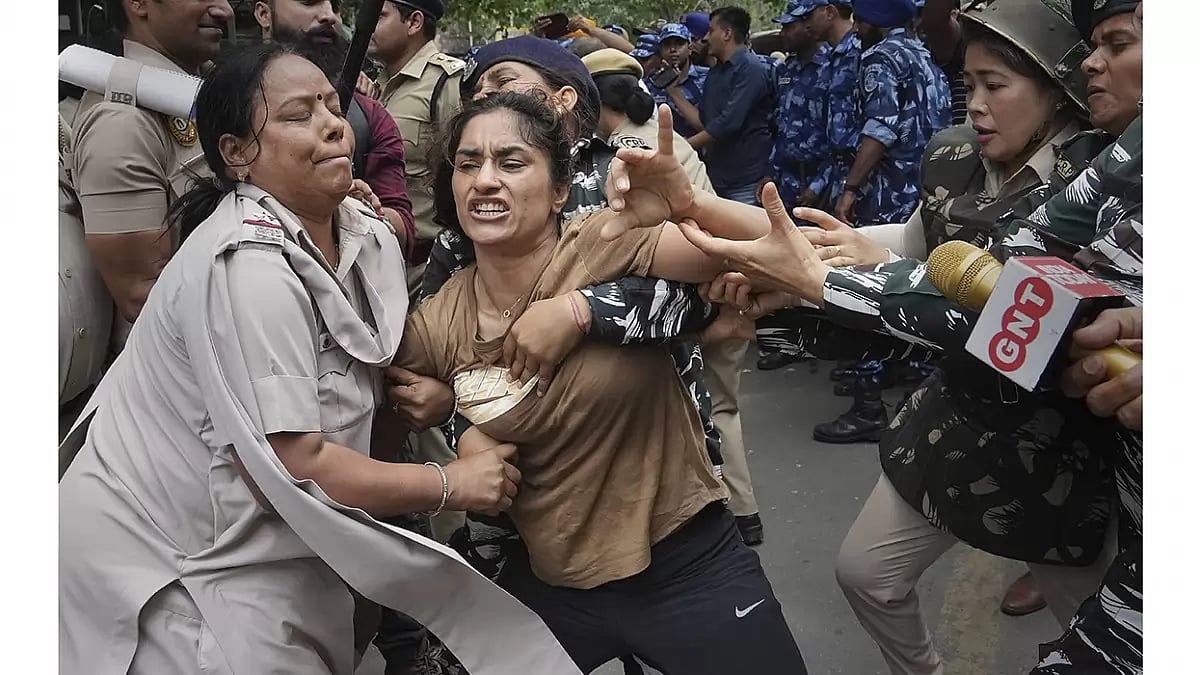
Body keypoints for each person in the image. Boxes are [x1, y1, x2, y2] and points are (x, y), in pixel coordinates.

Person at [58, 42, 583, 675]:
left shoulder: (361, 231)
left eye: (332, 106)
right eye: (298, 115)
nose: (333, 125)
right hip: (182, 564)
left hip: (282, 549)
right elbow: (295, 464)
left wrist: (437, 399)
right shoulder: (247, 267)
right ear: (237, 154)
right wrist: (450, 484)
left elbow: (378, 377)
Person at [398, 90, 808, 674]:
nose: (485, 180)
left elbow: (778, 255)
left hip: (688, 564)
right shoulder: (444, 314)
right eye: (469, 164)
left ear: (560, 190)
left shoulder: (599, 241)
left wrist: (690, 205)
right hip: (551, 585)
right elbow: (377, 383)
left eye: (511, 162)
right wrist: (456, 419)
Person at [582, 47, 768, 546]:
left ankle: (712, 522)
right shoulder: (667, 138)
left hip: (689, 296)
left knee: (689, 412)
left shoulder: (621, 155)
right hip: (730, 280)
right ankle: (744, 513)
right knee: (723, 406)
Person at [69, 0, 230, 358]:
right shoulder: (122, 123)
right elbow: (142, 297)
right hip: (186, 373)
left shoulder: (213, 94)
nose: (225, 11)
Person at [253, 0, 416, 253]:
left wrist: (359, 209)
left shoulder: (370, 116)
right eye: (309, 2)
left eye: (336, 6)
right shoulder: (222, 104)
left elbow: (402, 228)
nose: (329, 15)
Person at [754, 0, 832, 372]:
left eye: (791, 26)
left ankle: (828, 338)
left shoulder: (832, 67)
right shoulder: (786, 70)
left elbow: (838, 135)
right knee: (783, 259)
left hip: (820, 178)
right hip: (786, 175)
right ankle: (790, 340)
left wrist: (819, 183)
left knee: (821, 260)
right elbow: (780, 127)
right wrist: (769, 172)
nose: (784, 33)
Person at [370, 0, 464, 297]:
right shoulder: (373, 83)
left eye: (379, 16)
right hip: (378, 261)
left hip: (427, 269)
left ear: (414, 22)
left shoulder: (448, 81)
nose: (366, 25)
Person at [682, 7, 775, 206]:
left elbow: (728, 122)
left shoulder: (751, 69)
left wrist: (683, 146)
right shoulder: (715, 73)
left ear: (727, 34)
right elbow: (707, 121)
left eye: (711, 31)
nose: (706, 38)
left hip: (745, 180)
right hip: (717, 176)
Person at [648, 22, 709, 138]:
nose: (672, 49)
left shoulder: (707, 77)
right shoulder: (650, 82)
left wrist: (673, 91)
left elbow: (707, 127)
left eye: (679, 44)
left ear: (690, 48)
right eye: (667, 45)